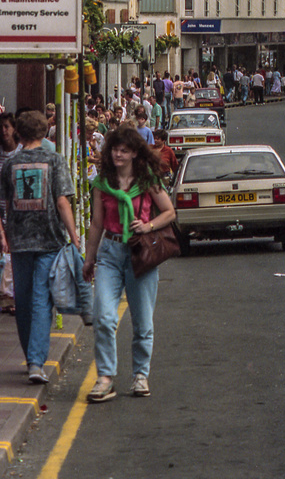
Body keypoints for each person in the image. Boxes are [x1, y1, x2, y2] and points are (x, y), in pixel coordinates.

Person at [83, 126, 176, 402]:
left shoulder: (147, 179)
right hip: (110, 252)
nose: (117, 154)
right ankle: (105, 378)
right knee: (103, 316)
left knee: (143, 321)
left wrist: (148, 226)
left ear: (135, 152)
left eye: (124, 150)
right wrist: (89, 259)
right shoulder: (102, 183)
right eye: (114, 149)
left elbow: (169, 212)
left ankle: (140, 375)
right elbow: (97, 223)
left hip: (139, 251)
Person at [1, 111, 78, 384]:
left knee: (22, 299)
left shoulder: (10, 164)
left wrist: (5, 234)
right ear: (44, 133)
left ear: (19, 135)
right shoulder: (54, 159)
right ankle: (35, 362)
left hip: (19, 241)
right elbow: (62, 202)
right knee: (41, 299)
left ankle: (30, 355)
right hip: (49, 239)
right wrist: (75, 235)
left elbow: (6, 204)